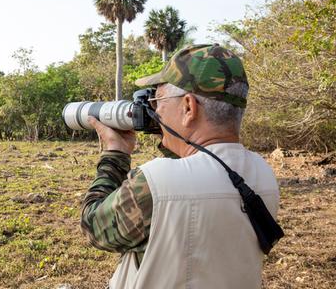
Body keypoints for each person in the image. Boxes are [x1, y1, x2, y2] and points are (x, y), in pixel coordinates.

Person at [80, 44, 280, 289]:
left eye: (158, 101)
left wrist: (114, 153)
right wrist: (171, 137)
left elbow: (93, 228)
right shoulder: (263, 174)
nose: (156, 111)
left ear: (188, 107)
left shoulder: (155, 183)